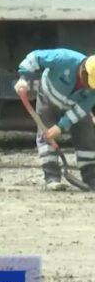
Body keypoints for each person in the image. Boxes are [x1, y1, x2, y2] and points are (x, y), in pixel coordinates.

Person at [15, 48, 95, 190]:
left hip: (74, 105)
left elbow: (81, 109)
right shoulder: (64, 58)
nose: (86, 86)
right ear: (83, 70)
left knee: (86, 135)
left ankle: (91, 178)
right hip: (48, 99)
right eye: (87, 81)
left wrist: (61, 126)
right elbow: (34, 57)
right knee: (46, 136)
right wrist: (23, 79)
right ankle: (51, 177)